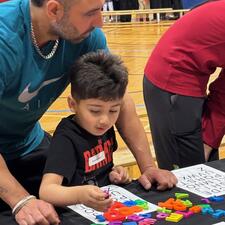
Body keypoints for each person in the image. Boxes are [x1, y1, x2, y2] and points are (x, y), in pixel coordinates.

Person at [0, 0, 177, 224]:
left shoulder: (87, 37)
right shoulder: (4, 39)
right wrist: (20, 200)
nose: (100, 22)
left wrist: (148, 167)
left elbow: (119, 98)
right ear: (54, 10)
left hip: (28, 143)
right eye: (91, 13)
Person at [39, 51, 131, 211]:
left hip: (103, 209)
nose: (105, 120)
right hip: (74, 212)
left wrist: (115, 173)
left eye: (113, 110)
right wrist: (80, 195)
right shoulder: (66, 138)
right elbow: (47, 191)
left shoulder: (104, 128)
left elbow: (101, 168)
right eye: (95, 111)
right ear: (73, 104)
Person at [143, 0, 224, 171]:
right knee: (189, 177)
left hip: (182, 77)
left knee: (206, 172)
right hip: (172, 83)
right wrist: (209, 139)